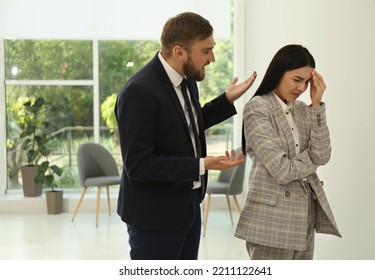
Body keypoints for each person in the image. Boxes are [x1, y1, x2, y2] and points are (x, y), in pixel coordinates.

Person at [115, 12, 257, 260]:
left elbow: (187, 123)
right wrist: (202, 165)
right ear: (179, 52)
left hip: (188, 206)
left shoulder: (187, 79)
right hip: (155, 218)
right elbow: (138, 165)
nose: (212, 58)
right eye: (206, 51)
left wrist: (226, 100)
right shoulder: (138, 92)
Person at [235, 44, 341, 260]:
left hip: (304, 216)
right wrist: (311, 158)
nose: (301, 88)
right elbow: (282, 170)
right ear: (279, 72)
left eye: (306, 81)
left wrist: (316, 103)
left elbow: (323, 155)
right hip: (272, 221)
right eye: (296, 79)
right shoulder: (258, 108)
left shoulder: (303, 110)